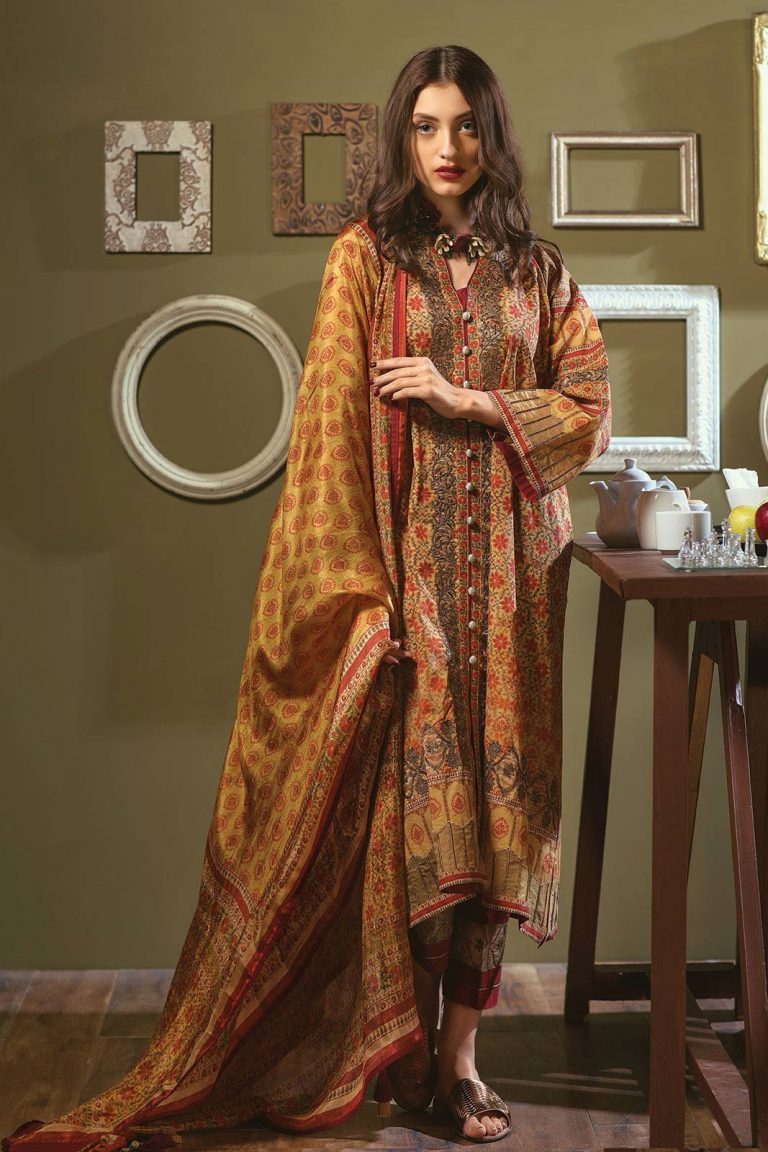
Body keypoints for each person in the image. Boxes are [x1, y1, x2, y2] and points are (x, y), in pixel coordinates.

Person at [3, 44, 610, 1152]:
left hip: (519, 592)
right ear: (401, 135)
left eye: (465, 126)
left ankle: (462, 1065)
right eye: (425, 126)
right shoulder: (365, 260)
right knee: (422, 826)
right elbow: (328, 435)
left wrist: (469, 399)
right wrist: (362, 596)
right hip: (413, 585)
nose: (446, 148)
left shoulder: (538, 271)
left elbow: (590, 408)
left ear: (492, 134)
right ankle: (406, 1054)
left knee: (502, 825)